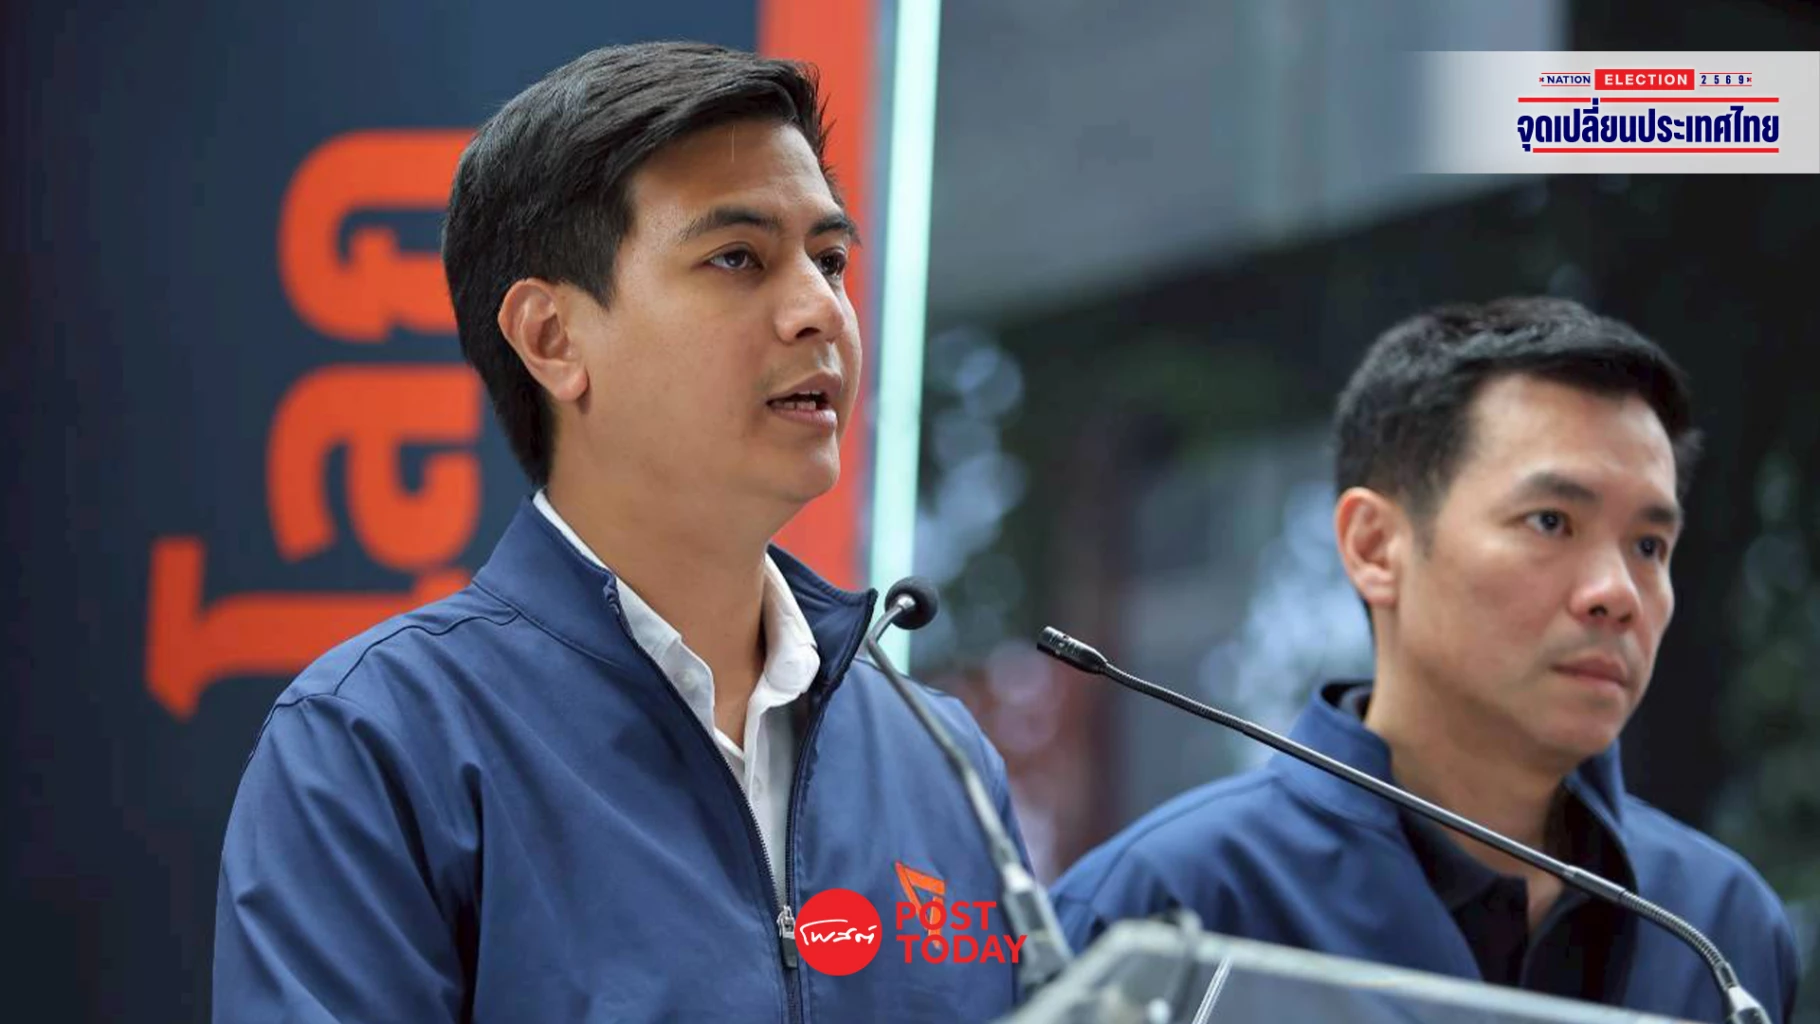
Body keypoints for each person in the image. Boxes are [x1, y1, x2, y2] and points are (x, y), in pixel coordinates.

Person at [213, 42, 1026, 1022]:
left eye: (830, 260)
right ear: (552, 337)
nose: (820, 310)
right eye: (738, 257)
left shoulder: (941, 760)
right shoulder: (378, 740)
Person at [1050, 298, 1799, 1021]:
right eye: (1551, 521)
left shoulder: (1719, 927)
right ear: (1375, 547)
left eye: (1649, 546)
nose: (1618, 594)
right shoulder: (1170, 905)